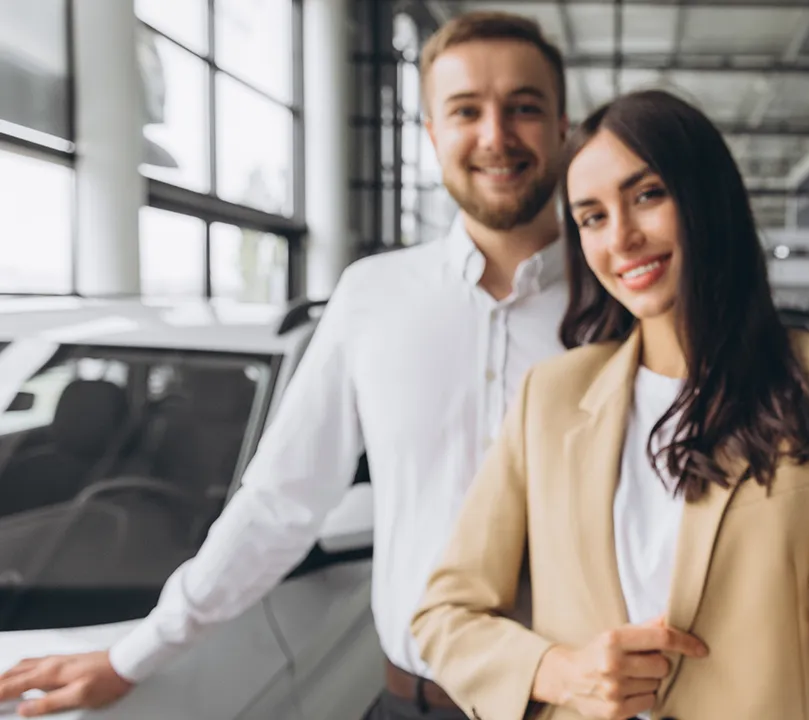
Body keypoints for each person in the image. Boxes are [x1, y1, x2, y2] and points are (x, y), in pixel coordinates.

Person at [0, 11, 573, 720]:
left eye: (524, 107)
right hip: (420, 703)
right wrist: (131, 656)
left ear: (562, 127)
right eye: (466, 111)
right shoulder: (373, 296)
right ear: (431, 132)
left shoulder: (625, 309)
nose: (495, 135)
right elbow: (280, 502)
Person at [409, 89, 809, 720]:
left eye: (647, 195)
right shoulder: (549, 398)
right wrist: (559, 673)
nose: (621, 236)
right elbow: (444, 616)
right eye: (592, 217)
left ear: (706, 198)